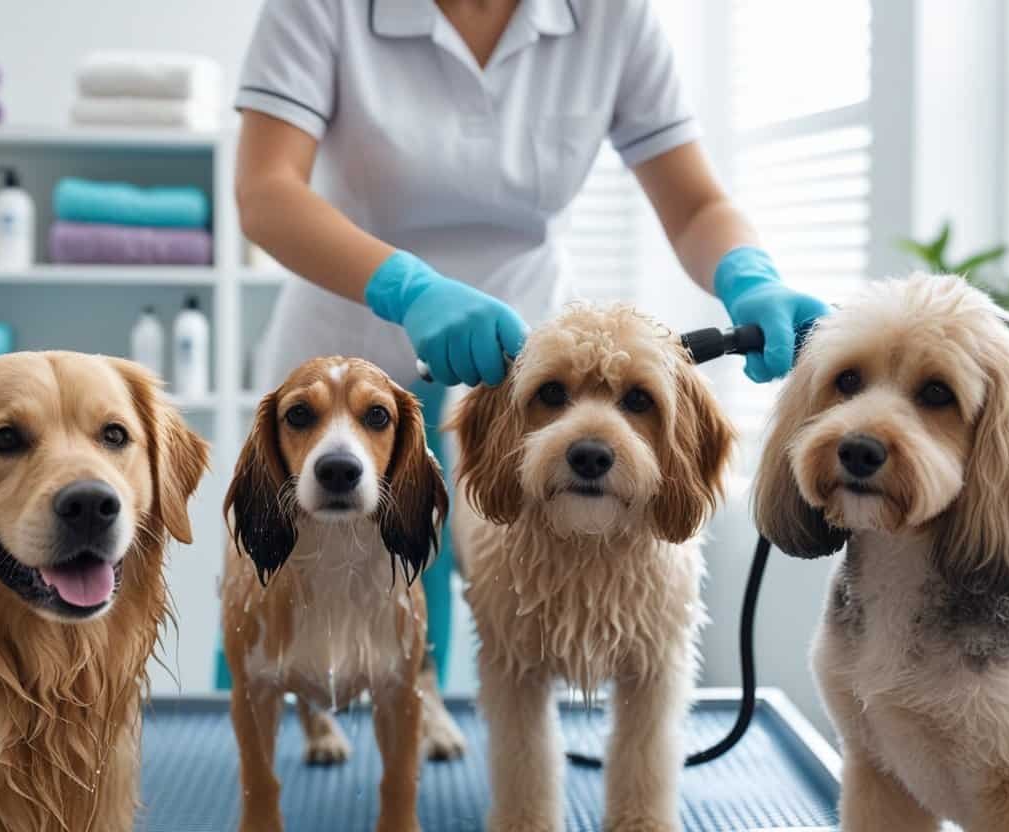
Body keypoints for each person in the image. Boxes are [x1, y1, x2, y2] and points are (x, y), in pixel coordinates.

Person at [233, 0, 828, 688]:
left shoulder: (611, 17)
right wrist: (409, 288)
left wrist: (749, 277)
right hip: (349, 359)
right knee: (286, 632)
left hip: (521, 382)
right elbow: (267, 190)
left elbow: (694, 204)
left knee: (448, 653)